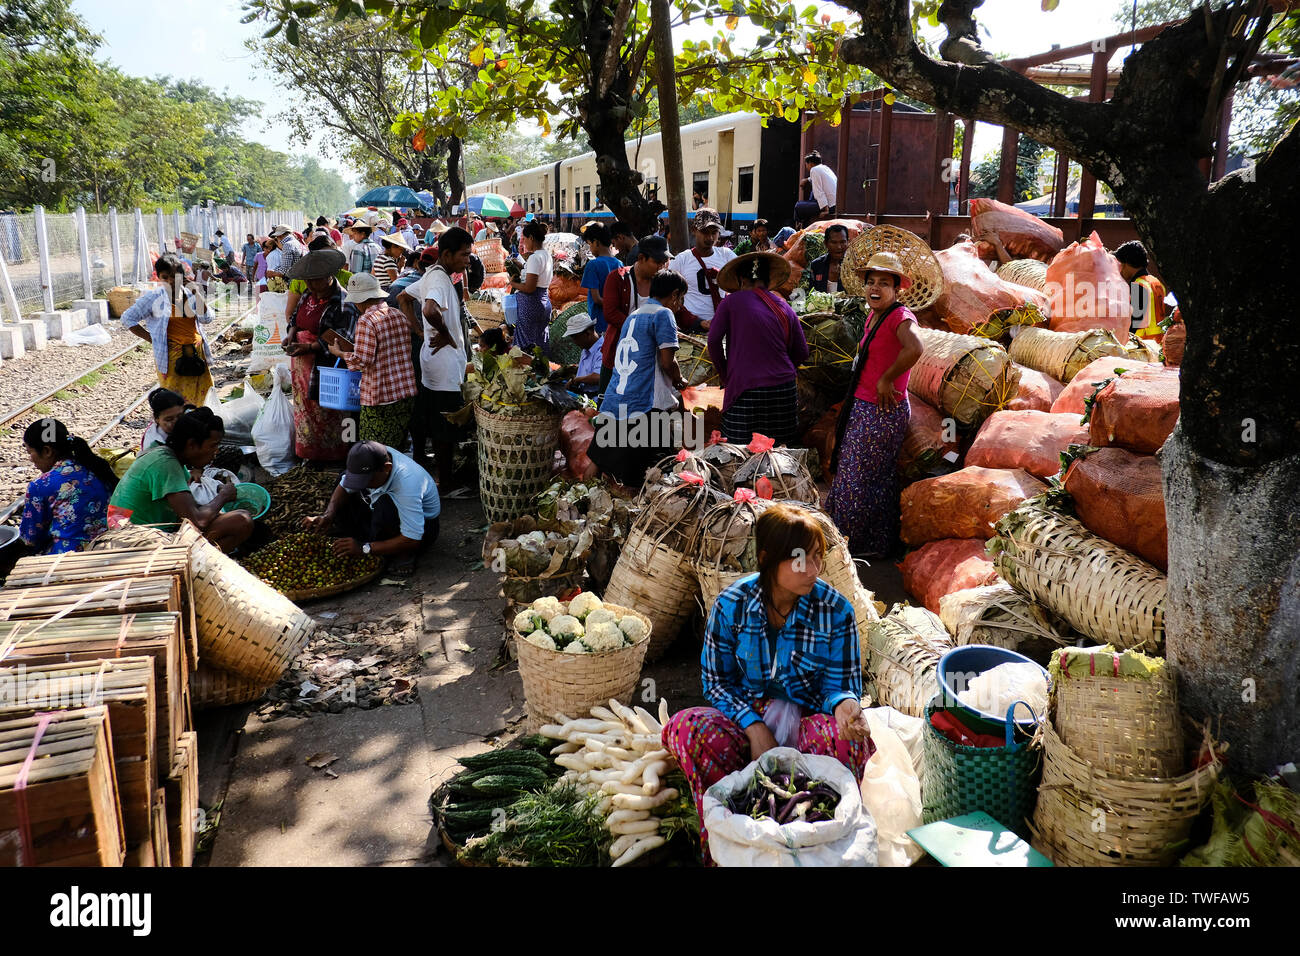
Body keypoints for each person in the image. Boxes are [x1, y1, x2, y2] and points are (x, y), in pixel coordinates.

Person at [661, 503, 874, 861]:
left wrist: (844, 706)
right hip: (749, 722)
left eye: (818, 557)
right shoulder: (732, 605)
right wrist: (754, 726)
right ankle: (726, 841)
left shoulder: (836, 611)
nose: (814, 569)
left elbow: (839, 684)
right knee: (686, 728)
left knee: (845, 740)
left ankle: (819, 844)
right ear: (766, 558)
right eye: (800, 559)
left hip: (808, 723)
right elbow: (716, 681)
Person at [826, 252, 924, 558]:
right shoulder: (874, 314)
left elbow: (916, 348)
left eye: (884, 283)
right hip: (865, 404)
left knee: (858, 477)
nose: (875, 288)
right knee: (868, 475)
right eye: (871, 282)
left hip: (880, 410)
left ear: (897, 289)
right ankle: (873, 544)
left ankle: (851, 546)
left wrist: (888, 379)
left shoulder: (899, 316)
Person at [588, 270, 688, 487]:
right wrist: (680, 380)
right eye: (681, 299)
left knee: (599, 459)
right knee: (651, 472)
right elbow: (667, 362)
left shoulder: (634, 314)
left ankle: (578, 498)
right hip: (643, 403)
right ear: (674, 294)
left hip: (616, 398)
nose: (680, 305)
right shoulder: (664, 314)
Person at [108, 408, 253, 552]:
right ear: (191, 445)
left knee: (227, 518)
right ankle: (197, 567)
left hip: (144, 534)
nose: (217, 451)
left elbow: (189, 509)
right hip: (136, 544)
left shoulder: (166, 456)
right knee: (241, 521)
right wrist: (223, 496)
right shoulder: (165, 465)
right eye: (213, 445)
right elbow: (198, 521)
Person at [708, 252, 808, 446]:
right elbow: (802, 352)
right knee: (780, 451)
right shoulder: (783, 306)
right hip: (783, 390)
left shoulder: (730, 302)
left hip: (746, 388)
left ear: (741, 279)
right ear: (768, 280)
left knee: (740, 451)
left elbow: (713, 341)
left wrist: (725, 373)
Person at [303, 441, 440, 575]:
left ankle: (403, 554)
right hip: (378, 508)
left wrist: (364, 548)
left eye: (368, 480)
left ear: (387, 468)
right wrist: (329, 515)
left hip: (422, 531)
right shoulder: (369, 459)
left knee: (385, 505)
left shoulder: (407, 484)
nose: (364, 485)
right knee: (343, 479)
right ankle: (367, 539)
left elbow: (412, 538)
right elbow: (344, 486)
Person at [283, 249, 358, 462]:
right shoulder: (307, 295)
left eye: (315, 282)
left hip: (326, 365)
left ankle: (337, 455)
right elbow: (295, 319)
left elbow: (342, 338)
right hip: (301, 365)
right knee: (304, 409)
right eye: (307, 282)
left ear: (328, 278)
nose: (310, 287)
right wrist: (290, 336)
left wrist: (310, 347)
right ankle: (309, 453)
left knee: (330, 411)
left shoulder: (343, 302)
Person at [328, 273, 417, 448]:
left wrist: (339, 353)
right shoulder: (398, 314)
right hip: (404, 393)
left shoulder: (367, 321)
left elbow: (362, 361)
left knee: (375, 450)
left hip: (380, 396)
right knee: (396, 446)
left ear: (360, 301)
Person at [418, 227, 475, 487]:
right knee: (444, 427)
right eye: (464, 255)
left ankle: (445, 478)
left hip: (435, 365)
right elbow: (430, 309)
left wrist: (422, 333)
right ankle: (446, 482)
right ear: (448, 254)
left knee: (440, 425)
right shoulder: (439, 280)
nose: (467, 260)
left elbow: (404, 298)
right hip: (443, 369)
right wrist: (445, 333)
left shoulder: (434, 275)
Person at [121, 254, 213, 407]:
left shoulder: (190, 293)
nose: (170, 281)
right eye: (165, 277)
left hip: (197, 354)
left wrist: (197, 293)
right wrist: (153, 339)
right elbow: (127, 318)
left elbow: (207, 318)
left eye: (174, 276)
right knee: (175, 400)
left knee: (201, 399)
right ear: (159, 277)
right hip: (171, 358)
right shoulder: (154, 297)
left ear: (182, 276)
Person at [19, 418, 116, 555]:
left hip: (67, 557)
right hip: (108, 549)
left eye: (30, 452)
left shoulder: (41, 485)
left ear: (47, 451)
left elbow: (31, 538)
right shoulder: (99, 469)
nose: (30, 458)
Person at [600, 235, 673, 394]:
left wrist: (699, 322)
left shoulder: (662, 281)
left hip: (649, 357)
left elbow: (676, 307)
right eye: (657, 262)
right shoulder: (617, 278)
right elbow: (610, 313)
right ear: (641, 258)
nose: (662, 267)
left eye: (664, 262)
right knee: (611, 403)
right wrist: (643, 329)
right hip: (618, 352)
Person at [669, 208, 733, 330]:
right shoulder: (682, 260)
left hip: (722, 326)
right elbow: (669, 294)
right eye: (704, 232)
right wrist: (695, 321)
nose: (710, 238)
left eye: (714, 232)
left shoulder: (727, 256)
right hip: (693, 328)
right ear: (694, 230)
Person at [509, 220, 554, 354]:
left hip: (531, 305)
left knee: (526, 347)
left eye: (524, 239)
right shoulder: (546, 255)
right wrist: (521, 266)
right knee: (540, 343)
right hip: (543, 302)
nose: (523, 242)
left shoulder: (534, 257)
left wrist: (513, 284)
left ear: (532, 238)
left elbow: (530, 288)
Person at [1114, 240, 1168, 343]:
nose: (1121, 270)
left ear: (1127, 263)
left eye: (1121, 264)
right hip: (1158, 343)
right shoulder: (1156, 283)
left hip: (1142, 345)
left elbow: (1134, 324)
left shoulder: (1139, 285)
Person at [580, 222, 622, 335]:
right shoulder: (620, 264)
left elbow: (597, 298)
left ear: (596, 242)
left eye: (590, 244)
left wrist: (611, 305)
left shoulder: (592, 265)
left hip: (599, 322)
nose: (590, 248)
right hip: (616, 321)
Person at [563, 312, 604, 398]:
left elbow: (599, 377)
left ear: (588, 333)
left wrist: (577, 380)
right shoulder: (586, 348)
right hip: (581, 391)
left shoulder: (602, 350)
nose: (574, 342)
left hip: (594, 398)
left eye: (575, 337)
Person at [807, 223, 850, 293]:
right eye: (834, 242)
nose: (839, 247)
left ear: (848, 242)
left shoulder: (855, 266)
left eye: (842, 242)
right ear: (826, 244)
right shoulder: (817, 265)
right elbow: (811, 293)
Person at [266, 224, 306, 290]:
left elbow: (284, 271)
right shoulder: (297, 243)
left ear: (280, 235)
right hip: (301, 281)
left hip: (294, 283)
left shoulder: (288, 245)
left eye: (277, 237)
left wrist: (272, 273)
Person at [805, 150, 838, 220]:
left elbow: (818, 192)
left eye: (806, 164)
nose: (806, 167)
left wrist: (826, 210)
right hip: (835, 204)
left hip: (829, 207)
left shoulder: (813, 170)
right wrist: (807, 180)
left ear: (810, 163)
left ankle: (801, 225)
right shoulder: (825, 168)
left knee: (798, 207)